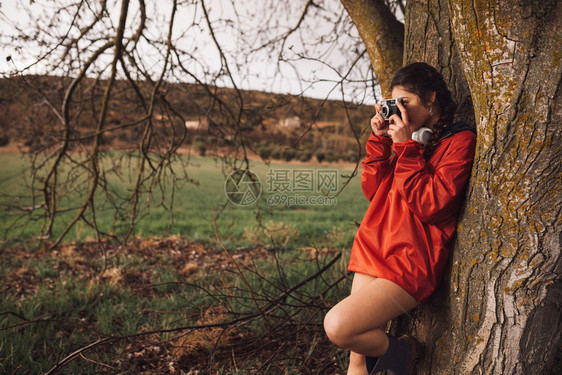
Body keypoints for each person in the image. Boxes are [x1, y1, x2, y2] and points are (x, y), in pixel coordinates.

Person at [323, 62, 477, 375]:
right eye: (394, 103)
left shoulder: (459, 141)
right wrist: (381, 141)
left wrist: (406, 148)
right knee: (356, 358)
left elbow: (432, 205)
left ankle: (403, 352)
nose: (399, 110)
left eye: (405, 102)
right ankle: (396, 360)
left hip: (410, 261)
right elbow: (374, 191)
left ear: (431, 99)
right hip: (374, 248)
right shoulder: (413, 140)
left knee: (339, 327)